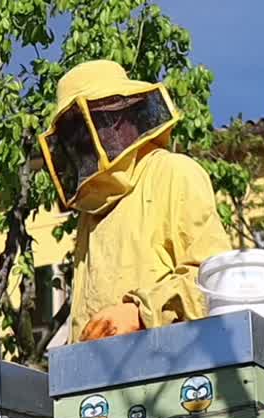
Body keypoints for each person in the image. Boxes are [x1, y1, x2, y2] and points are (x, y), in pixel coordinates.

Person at [38, 59, 223, 342]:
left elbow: (214, 281)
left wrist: (141, 311)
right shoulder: (90, 212)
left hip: (172, 370)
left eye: (106, 119)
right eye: (75, 131)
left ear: (127, 117)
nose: (84, 140)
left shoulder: (174, 172)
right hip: (103, 376)